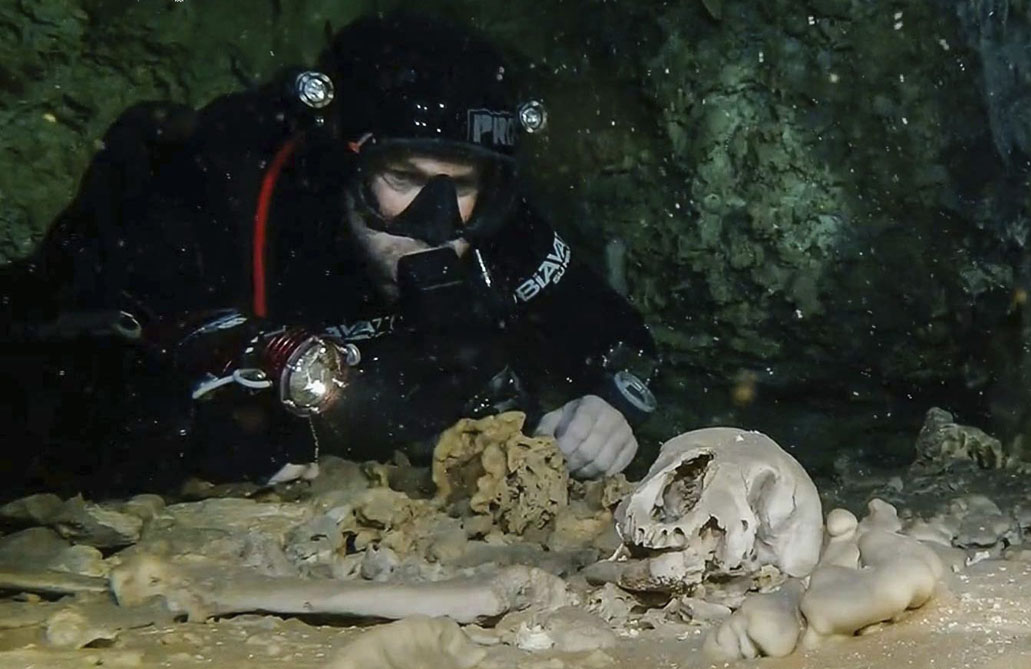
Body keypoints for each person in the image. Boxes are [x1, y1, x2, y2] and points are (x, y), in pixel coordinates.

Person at [0, 10, 658, 499]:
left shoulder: (490, 223)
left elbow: (620, 343)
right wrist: (193, 430)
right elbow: (64, 358)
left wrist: (608, 407)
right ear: (342, 161)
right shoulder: (226, 194)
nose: (432, 222)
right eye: (401, 176)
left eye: (456, 184)